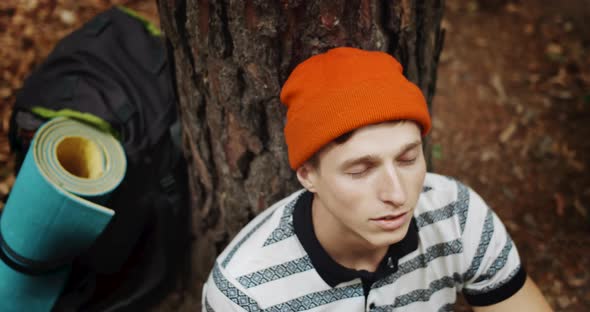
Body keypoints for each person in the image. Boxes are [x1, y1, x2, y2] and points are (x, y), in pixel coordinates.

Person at [201, 47, 552, 311]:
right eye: (360, 170)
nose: (397, 194)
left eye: (408, 158)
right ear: (309, 174)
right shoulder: (243, 292)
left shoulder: (456, 214)